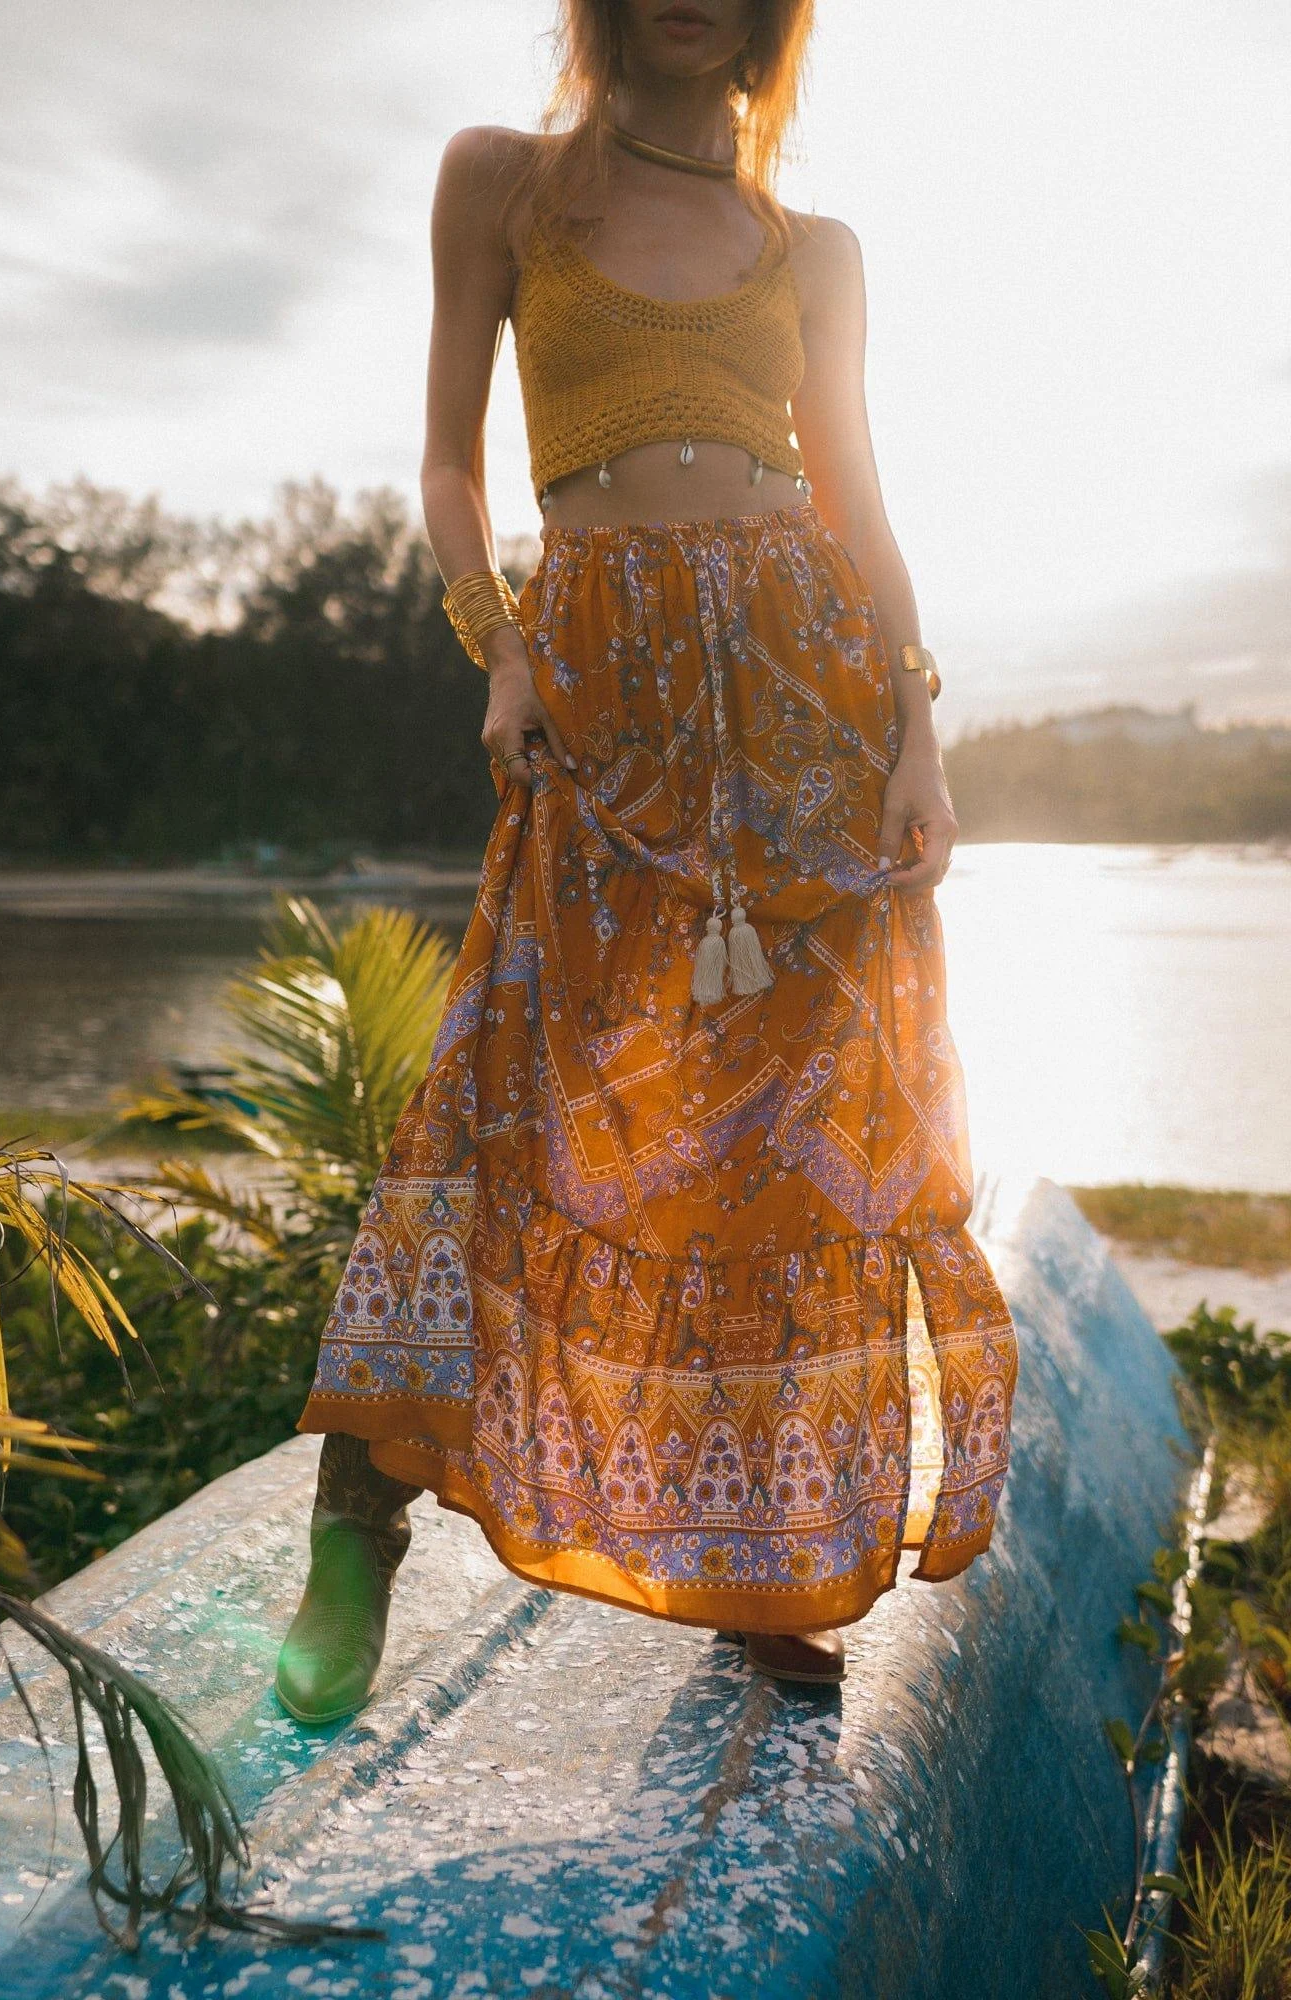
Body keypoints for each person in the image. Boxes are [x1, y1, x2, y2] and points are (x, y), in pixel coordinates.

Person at [275, 0, 1019, 1720]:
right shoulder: (506, 183)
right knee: (524, 1088)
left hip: (808, 691)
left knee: (796, 1128)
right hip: (602, 689)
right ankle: (364, 1494)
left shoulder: (810, 244)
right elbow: (453, 462)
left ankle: (766, 1559)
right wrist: (503, 643)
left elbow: (857, 490)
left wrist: (915, 722)